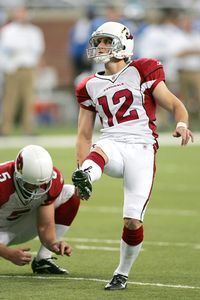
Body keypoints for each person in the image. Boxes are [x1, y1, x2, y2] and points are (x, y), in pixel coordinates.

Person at [71, 21, 194, 290]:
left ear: (123, 44)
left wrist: (182, 123)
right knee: (100, 150)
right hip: (113, 142)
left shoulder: (142, 69)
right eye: (98, 41)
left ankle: (121, 273)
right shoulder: (89, 85)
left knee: (132, 221)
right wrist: (81, 166)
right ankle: (87, 176)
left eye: (105, 41)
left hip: (142, 148)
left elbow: (174, 104)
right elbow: (84, 135)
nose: (100, 46)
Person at [0, 144, 80, 274]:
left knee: (70, 193)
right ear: (18, 174)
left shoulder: (51, 180)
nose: (36, 188)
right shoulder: (2, 182)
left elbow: (45, 225)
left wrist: (54, 244)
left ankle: (44, 259)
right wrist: (7, 253)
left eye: (40, 183)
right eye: (31, 184)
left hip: (20, 223)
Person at [0, 6, 45, 135]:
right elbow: (7, 49)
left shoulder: (34, 31)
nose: (22, 16)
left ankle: (28, 128)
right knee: (10, 99)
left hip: (28, 68)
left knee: (28, 99)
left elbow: (38, 50)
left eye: (24, 13)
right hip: (13, 68)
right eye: (20, 13)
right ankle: (5, 128)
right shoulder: (9, 30)